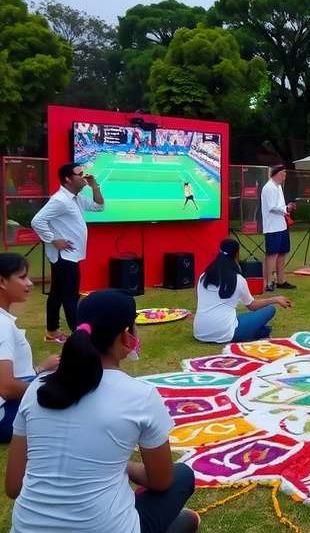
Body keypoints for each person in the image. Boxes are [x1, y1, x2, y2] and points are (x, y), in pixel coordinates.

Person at [5, 290, 199, 533]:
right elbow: (161, 481)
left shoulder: (36, 388)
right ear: (127, 336)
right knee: (183, 476)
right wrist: (123, 466)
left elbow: (13, 487)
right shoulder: (140, 395)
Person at [31, 162, 104, 343]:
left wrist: (95, 187)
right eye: (80, 174)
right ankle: (80, 337)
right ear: (67, 179)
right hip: (65, 257)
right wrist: (54, 239)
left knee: (56, 294)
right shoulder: (60, 200)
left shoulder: (76, 198)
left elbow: (99, 206)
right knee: (70, 297)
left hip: (70, 255)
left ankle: (52, 331)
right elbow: (37, 221)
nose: (84, 176)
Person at [0, 254, 60, 443]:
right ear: (2, 281)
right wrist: (51, 390)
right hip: (6, 415)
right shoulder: (2, 325)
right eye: (22, 277)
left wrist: (40, 369)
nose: (30, 283)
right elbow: (5, 387)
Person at [194, 238, 291, 343]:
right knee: (270, 310)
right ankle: (258, 332)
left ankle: (258, 331)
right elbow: (252, 305)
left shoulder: (203, 277)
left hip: (200, 331)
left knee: (244, 319)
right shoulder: (238, 279)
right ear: (236, 254)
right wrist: (275, 299)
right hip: (226, 332)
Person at [261, 165, 296, 293]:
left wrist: (287, 207)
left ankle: (281, 280)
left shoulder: (278, 187)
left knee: (282, 252)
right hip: (272, 227)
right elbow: (272, 207)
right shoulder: (269, 187)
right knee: (272, 254)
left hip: (281, 225)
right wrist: (286, 209)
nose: (284, 176)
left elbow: (279, 206)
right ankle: (268, 282)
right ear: (276, 174)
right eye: (283, 173)